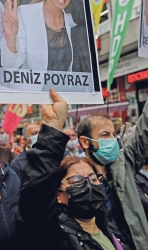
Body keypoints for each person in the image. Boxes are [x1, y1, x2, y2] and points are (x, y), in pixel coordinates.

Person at [75, 49, 148, 250]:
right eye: (104, 135)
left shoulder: (123, 163)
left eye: (113, 134)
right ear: (84, 142)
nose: (113, 140)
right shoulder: (75, 179)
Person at [17, 88, 124, 250]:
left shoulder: (110, 229)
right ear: (59, 195)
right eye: (76, 180)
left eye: (93, 178)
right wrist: (53, 128)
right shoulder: (55, 237)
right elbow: (35, 197)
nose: (88, 185)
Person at [1, 0, 91, 75]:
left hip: (61, 90)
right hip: (32, 90)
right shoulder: (26, 13)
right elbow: (10, 66)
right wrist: (11, 39)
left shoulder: (72, 24)